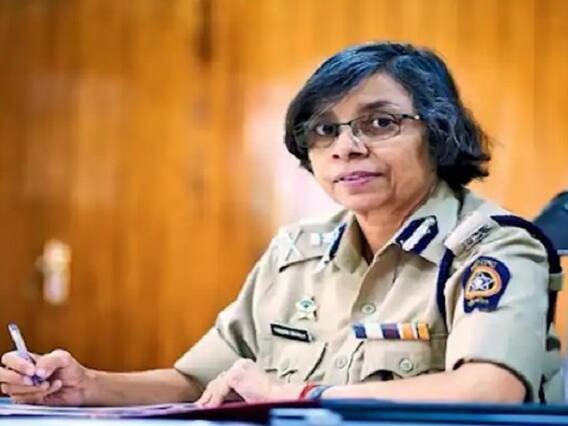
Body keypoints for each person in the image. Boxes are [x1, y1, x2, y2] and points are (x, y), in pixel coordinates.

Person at [0, 41, 563, 407]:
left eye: (379, 123)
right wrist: (89, 385)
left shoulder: (494, 246)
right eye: (324, 130)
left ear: (437, 133)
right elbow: (201, 380)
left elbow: (489, 389)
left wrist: (303, 395)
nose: (346, 147)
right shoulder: (298, 251)